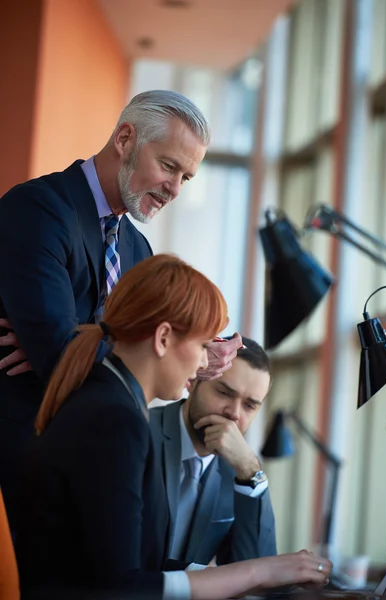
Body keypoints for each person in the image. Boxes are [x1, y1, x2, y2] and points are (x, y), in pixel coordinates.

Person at [16, 254, 332, 600]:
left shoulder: (110, 399)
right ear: (163, 338)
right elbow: (120, 586)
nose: (202, 364)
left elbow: (125, 566)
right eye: (201, 346)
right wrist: (261, 570)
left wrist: (258, 573)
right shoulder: (115, 421)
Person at [0, 89, 241, 529]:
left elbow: (147, 353)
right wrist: (63, 343)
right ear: (125, 139)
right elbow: (57, 353)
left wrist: (203, 351)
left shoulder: (138, 249)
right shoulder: (40, 208)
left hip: (103, 453)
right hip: (35, 444)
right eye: (169, 166)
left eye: (186, 178)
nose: (174, 190)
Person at [150, 337, 277, 566]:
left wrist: (250, 469)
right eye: (224, 392)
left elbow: (256, 576)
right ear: (195, 380)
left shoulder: (240, 471)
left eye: (249, 405)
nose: (234, 413)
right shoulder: (142, 432)